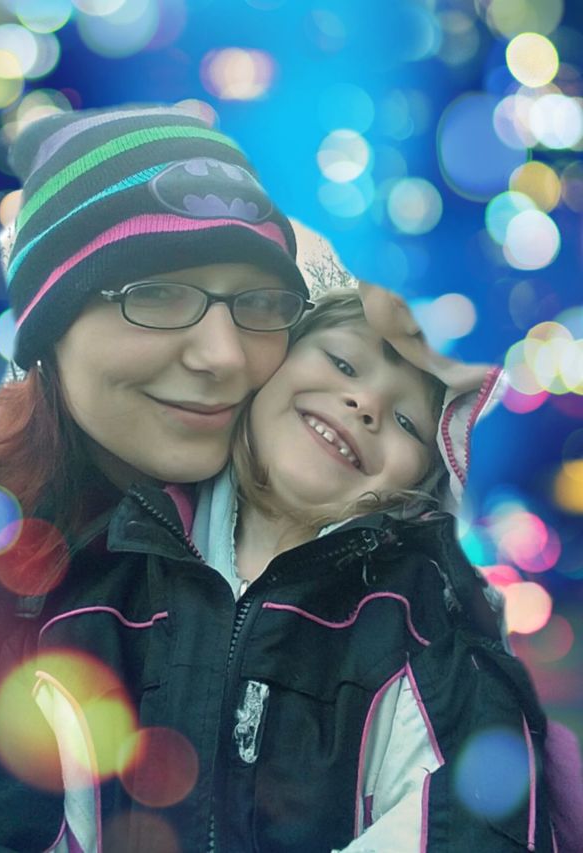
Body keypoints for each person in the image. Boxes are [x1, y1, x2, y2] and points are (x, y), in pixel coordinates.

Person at [0, 104, 315, 851]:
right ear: (49, 330)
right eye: (156, 293)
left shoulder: (344, 562)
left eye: (257, 302)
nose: (224, 356)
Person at [192, 288, 556, 852]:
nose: (366, 405)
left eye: (408, 423)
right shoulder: (128, 552)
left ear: (426, 478)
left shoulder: (428, 626)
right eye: (342, 364)